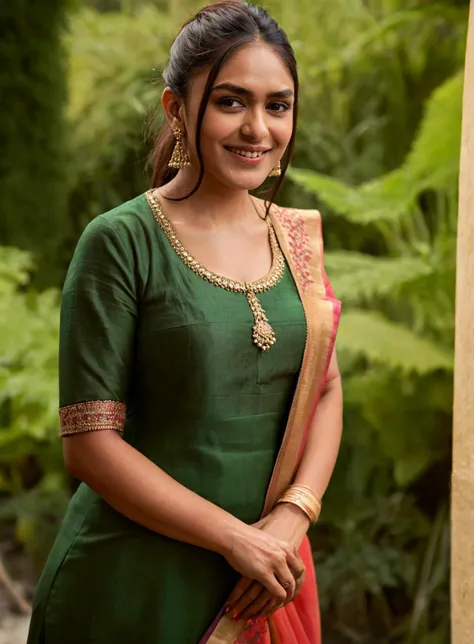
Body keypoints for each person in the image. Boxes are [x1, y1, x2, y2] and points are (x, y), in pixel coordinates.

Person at [26, 1, 343, 642]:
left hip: (261, 585)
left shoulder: (297, 240)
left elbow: (327, 389)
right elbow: (90, 444)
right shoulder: (120, 241)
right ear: (177, 110)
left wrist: (291, 518)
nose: (258, 127)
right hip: (130, 587)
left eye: (277, 105)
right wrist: (236, 538)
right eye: (231, 102)